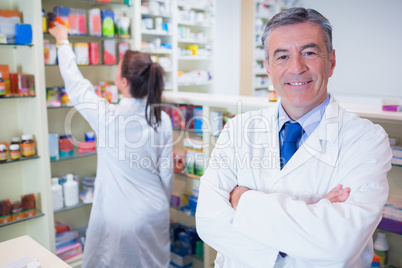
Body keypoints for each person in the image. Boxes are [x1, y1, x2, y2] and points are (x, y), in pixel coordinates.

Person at [196, 7, 392, 268]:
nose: (296, 67)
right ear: (268, 66)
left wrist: (242, 200)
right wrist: (309, 221)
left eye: (309, 52)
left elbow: (340, 246)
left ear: (331, 61)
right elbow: (208, 220)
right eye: (282, 56)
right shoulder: (238, 129)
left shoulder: (367, 140)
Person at [49, 23, 173, 267]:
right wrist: (161, 205)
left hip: (122, 218)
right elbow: (166, 175)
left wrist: (62, 40)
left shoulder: (108, 117)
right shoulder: (162, 119)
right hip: (155, 211)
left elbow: (76, 86)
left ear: (124, 82)